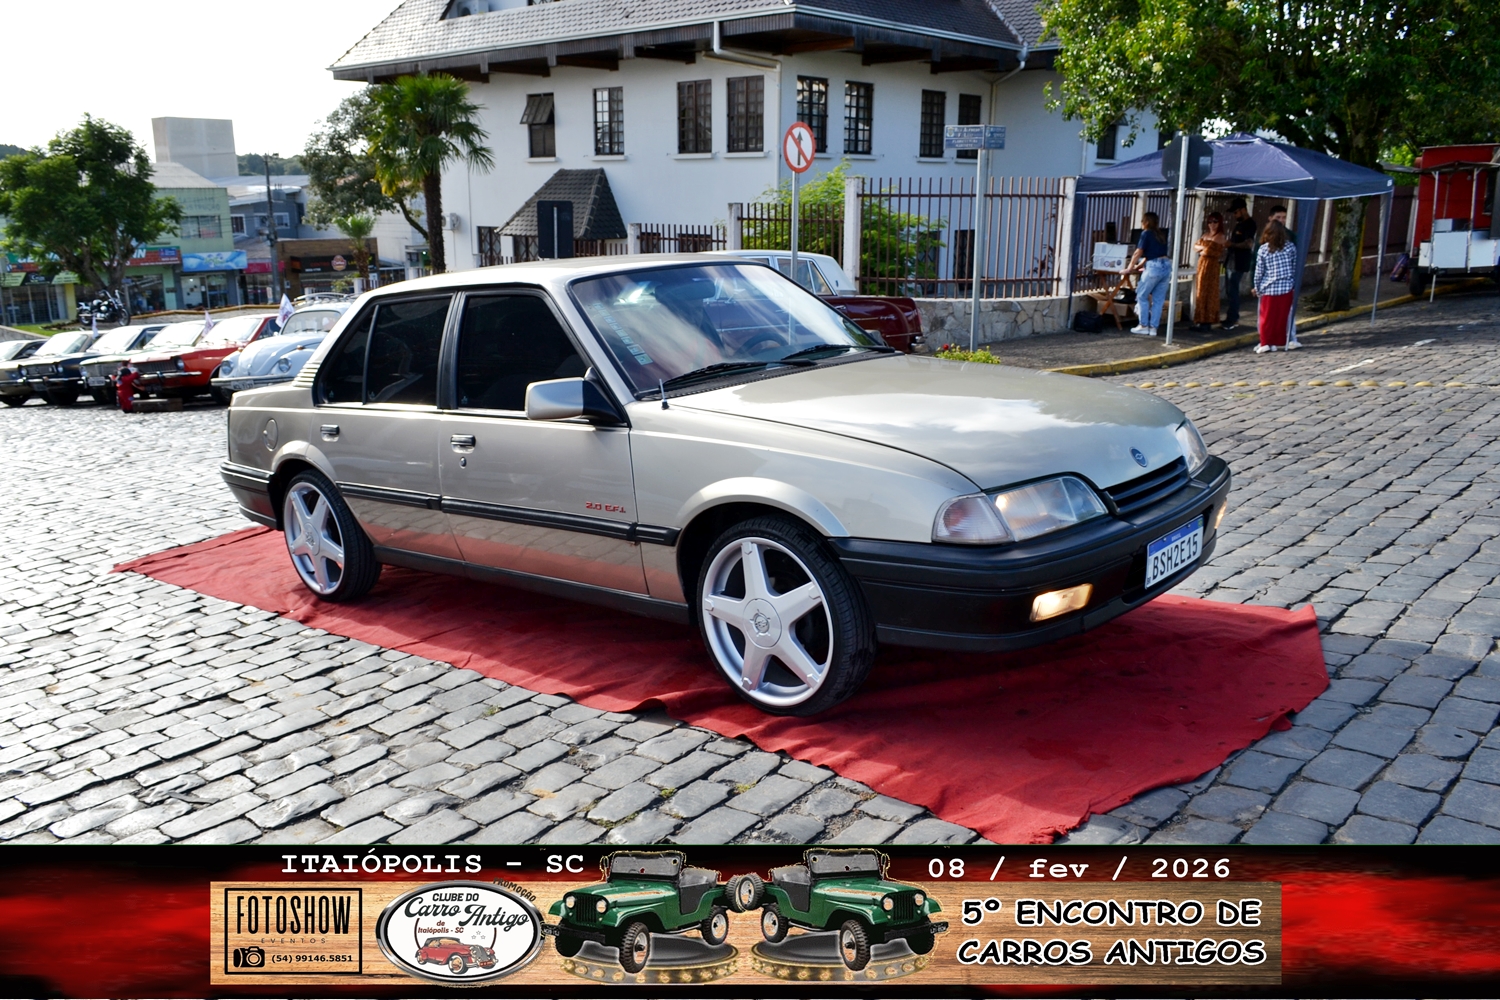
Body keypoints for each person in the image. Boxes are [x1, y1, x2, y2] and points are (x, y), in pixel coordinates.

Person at [1253, 220, 1298, 353]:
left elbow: (1259, 271)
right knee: (1282, 317)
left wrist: (1257, 287)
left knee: (1266, 318)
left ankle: (1266, 342)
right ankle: (1281, 341)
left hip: (1269, 288)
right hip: (1286, 287)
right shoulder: (1290, 247)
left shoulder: (1263, 249)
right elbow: (1294, 267)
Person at [1127, 212, 1171, 336]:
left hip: (1153, 267)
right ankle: (1153, 328)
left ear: (1146, 222)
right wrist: (1139, 266)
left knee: (1142, 296)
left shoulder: (1145, 233)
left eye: (1142, 221)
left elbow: (1138, 252)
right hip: (1166, 265)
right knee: (1158, 299)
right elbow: (1153, 253)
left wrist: (1130, 267)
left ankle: (1143, 325)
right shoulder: (1161, 234)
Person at [1190, 213, 1228, 332]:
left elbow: (1208, 251)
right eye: (1210, 221)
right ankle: (1200, 319)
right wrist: (1203, 248)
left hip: (1211, 266)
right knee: (1200, 291)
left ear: (1219, 223)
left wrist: (1202, 247)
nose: (1212, 224)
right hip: (1202, 265)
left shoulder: (1220, 236)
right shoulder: (1205, 234)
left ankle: (1207, 320)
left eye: (1215, 221)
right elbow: (1195, 247)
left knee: (1209, 292)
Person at [1222, 199, 1255, 330]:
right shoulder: (1239, 224)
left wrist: (1232, 244)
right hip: (1231, 260)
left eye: (1236, 212)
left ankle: (1233, 318)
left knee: (1233, 290)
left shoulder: (1250, 224)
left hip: (1239, 262)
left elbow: (1249, 244)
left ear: (1243, 210)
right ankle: (1231, 316)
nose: (1234, 215)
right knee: (1229, 290)